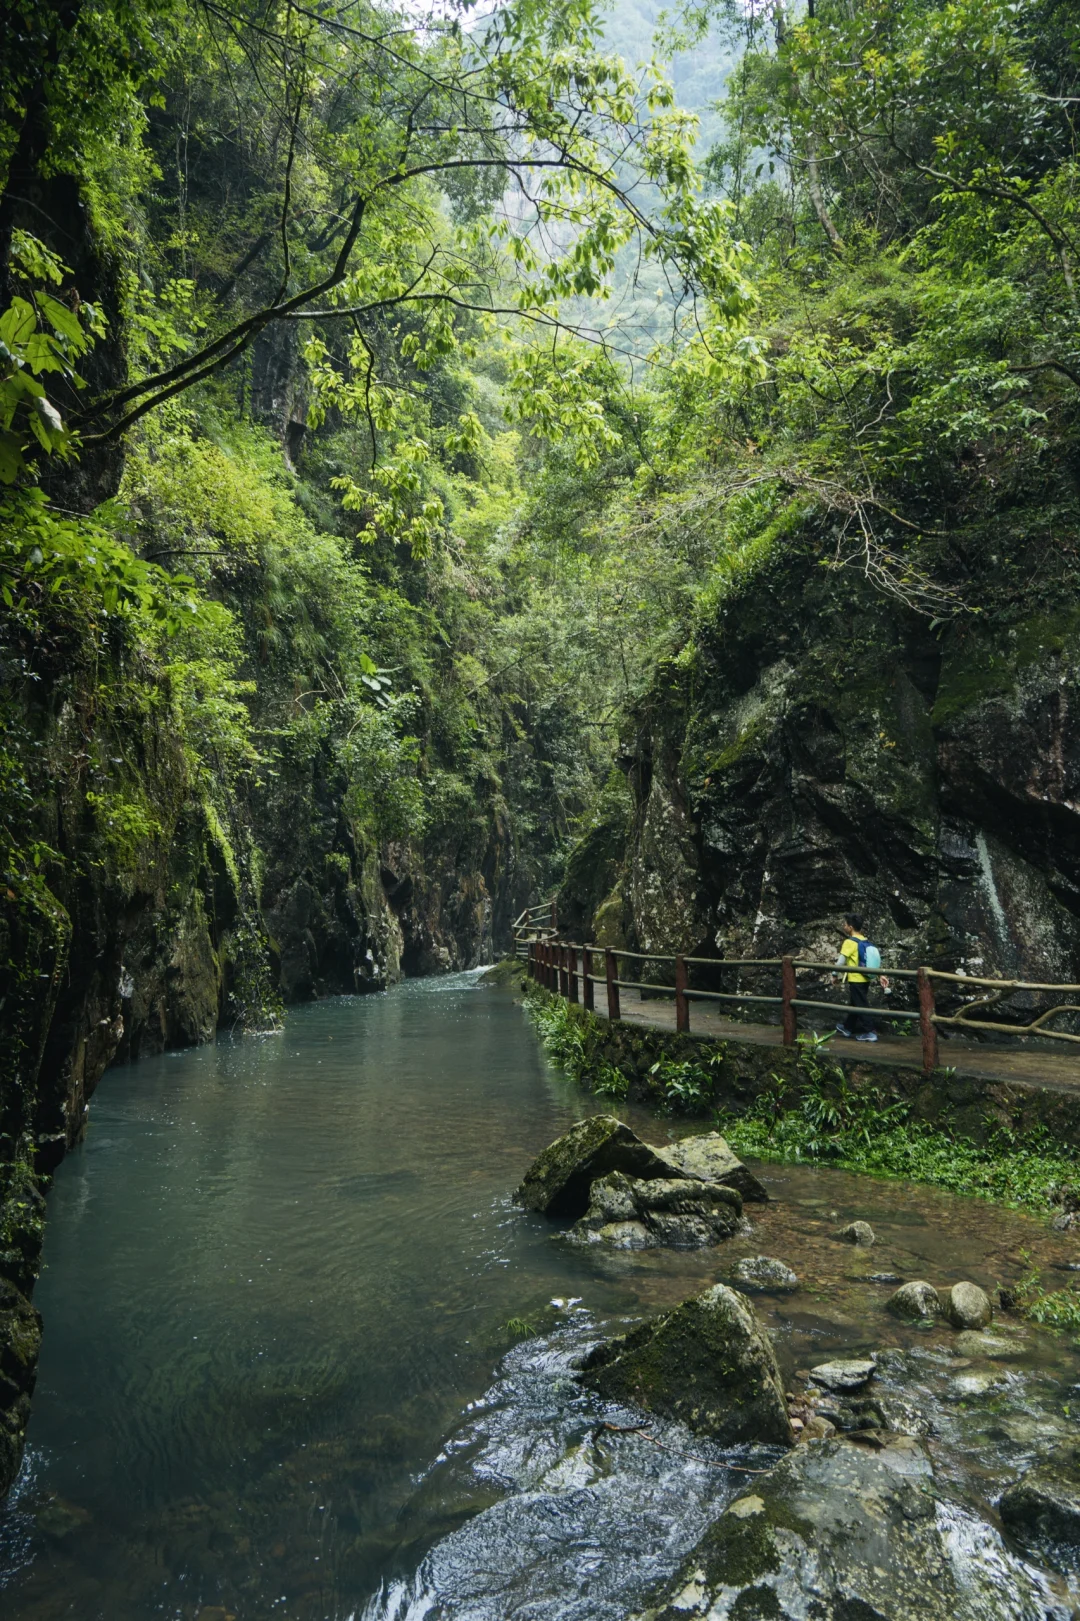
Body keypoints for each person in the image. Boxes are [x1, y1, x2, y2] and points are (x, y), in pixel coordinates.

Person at [833, 914, 888, 1042]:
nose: (844, 926)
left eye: (845, 924)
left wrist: (834, 974)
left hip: (856, 979)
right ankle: (847, 1028)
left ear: (850, 927)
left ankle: (870, 1031)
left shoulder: (849, 942)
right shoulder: (865, 940)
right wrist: (880, 974)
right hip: (865, 979)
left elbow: (840, 962)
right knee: (855, 1003)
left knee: (860, 1004)